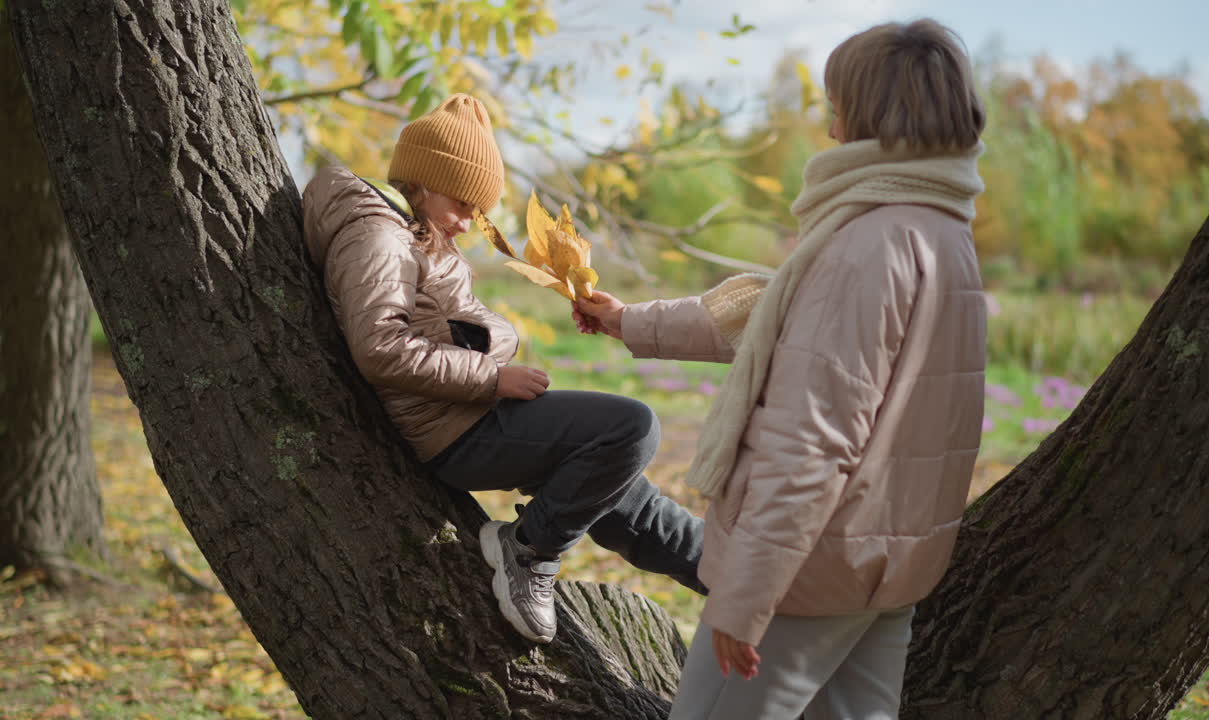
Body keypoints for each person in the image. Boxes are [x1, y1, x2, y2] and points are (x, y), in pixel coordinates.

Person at [575, 19, 987, 719]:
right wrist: (632, 321)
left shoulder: (867, 247)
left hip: (809, 574)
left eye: (838, 103)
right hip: (887, 568)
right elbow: (777, 321)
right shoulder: (942, 232)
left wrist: (746, 598)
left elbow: (812, 438)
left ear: (870, 113)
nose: (830, 125)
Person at [300, 93, 706, 645]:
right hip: (456, 430)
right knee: (632, 427)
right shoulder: (378, 235)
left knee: (629, 497)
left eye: (477, 210)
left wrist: (498, 353)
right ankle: (528, 551)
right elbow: (380, 348)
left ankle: (748, 584)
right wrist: (493, 377)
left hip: (473, 412)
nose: (469, 223)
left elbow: (443, 325)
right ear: (423, 179)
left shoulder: (413, 234)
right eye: (464, 204)